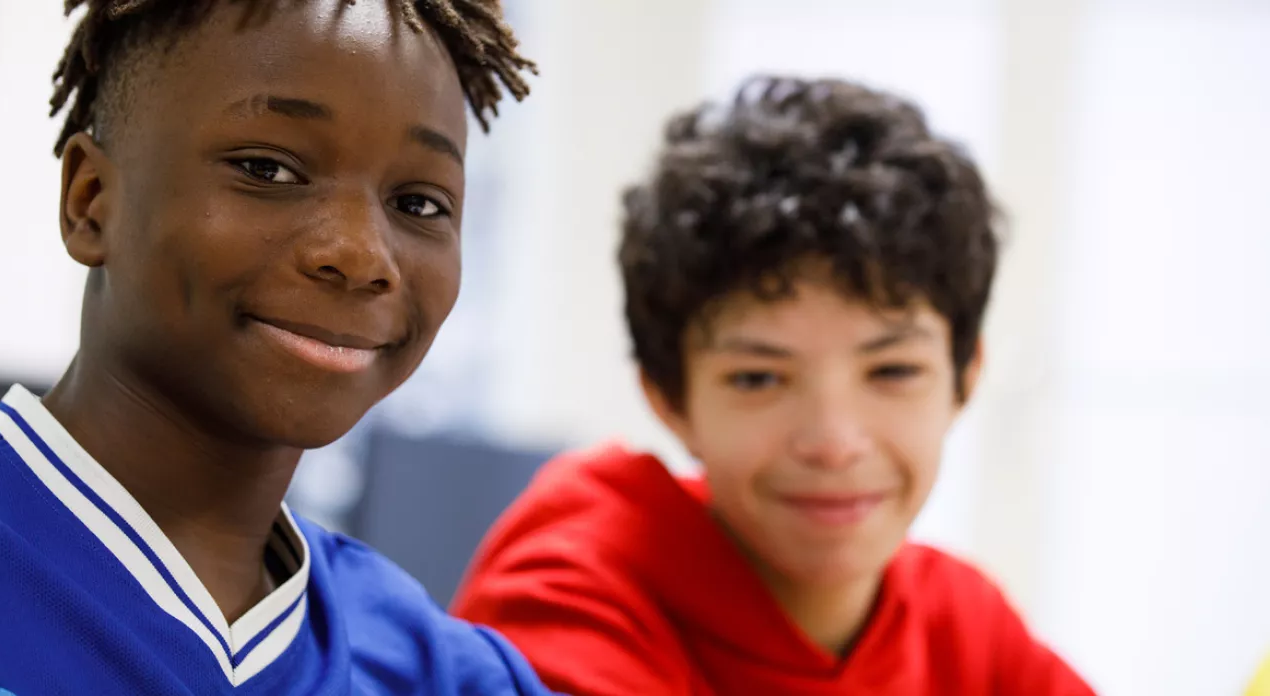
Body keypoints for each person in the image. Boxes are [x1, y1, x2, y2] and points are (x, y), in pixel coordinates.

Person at [0, 1, 548, 693]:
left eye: (419, 203)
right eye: (267, 169)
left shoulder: (447, 673)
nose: (363, 254)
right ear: (91, 200)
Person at [451, 76, 1095, 695]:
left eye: (893, 371)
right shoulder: (576, 585)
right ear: (669, 398)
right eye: (759, 378)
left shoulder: (962, 624)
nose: (834, 444)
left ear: (964, 378)